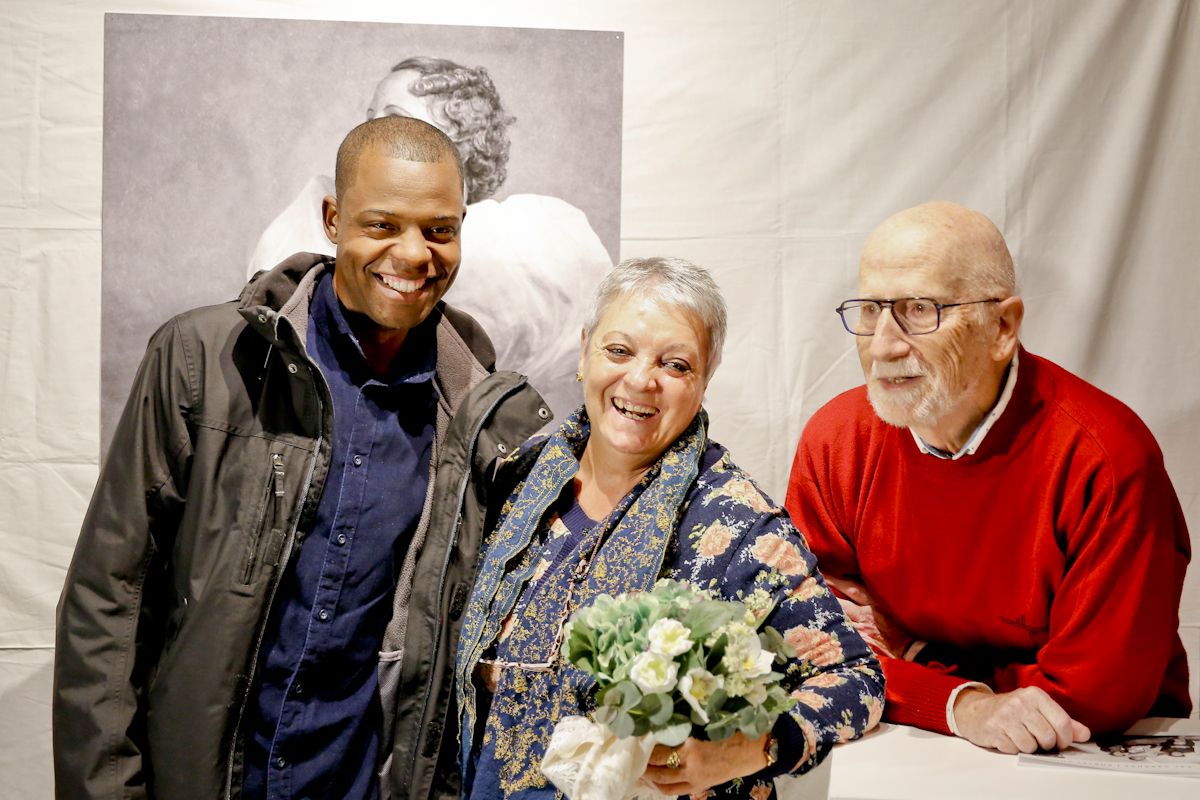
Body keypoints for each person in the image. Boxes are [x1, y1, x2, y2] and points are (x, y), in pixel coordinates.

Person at [53, 116, 550, 799]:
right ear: (333, 219)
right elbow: (107, 602)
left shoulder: (481, 414)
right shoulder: (201, 358)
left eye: (439, 230)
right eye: (383, 225)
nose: (414, 254)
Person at [454, 257, 885, 800]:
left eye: (676, 365)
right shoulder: (519, 477)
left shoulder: (738, 524)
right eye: (618, 350)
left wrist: (750, 748)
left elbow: (856, 679)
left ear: (704, 381)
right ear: (584, 351)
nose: (641, 379)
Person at [785, 201, 1192, 755]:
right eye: (870, 310)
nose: (882, 344)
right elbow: (803, 640)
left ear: (1002, 327)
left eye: (920, 309)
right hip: (903, 743)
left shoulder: (1107, 460)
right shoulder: (837, 439)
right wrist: (964, 704)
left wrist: (913, 656)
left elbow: (1095, 695)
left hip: (1085, 755)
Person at [248, 56, 613, 425]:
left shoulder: (521, 235)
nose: (369, 129)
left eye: (393, 118)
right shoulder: (319, 221)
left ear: (460, 142)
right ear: (334, 220)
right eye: (370, 115)